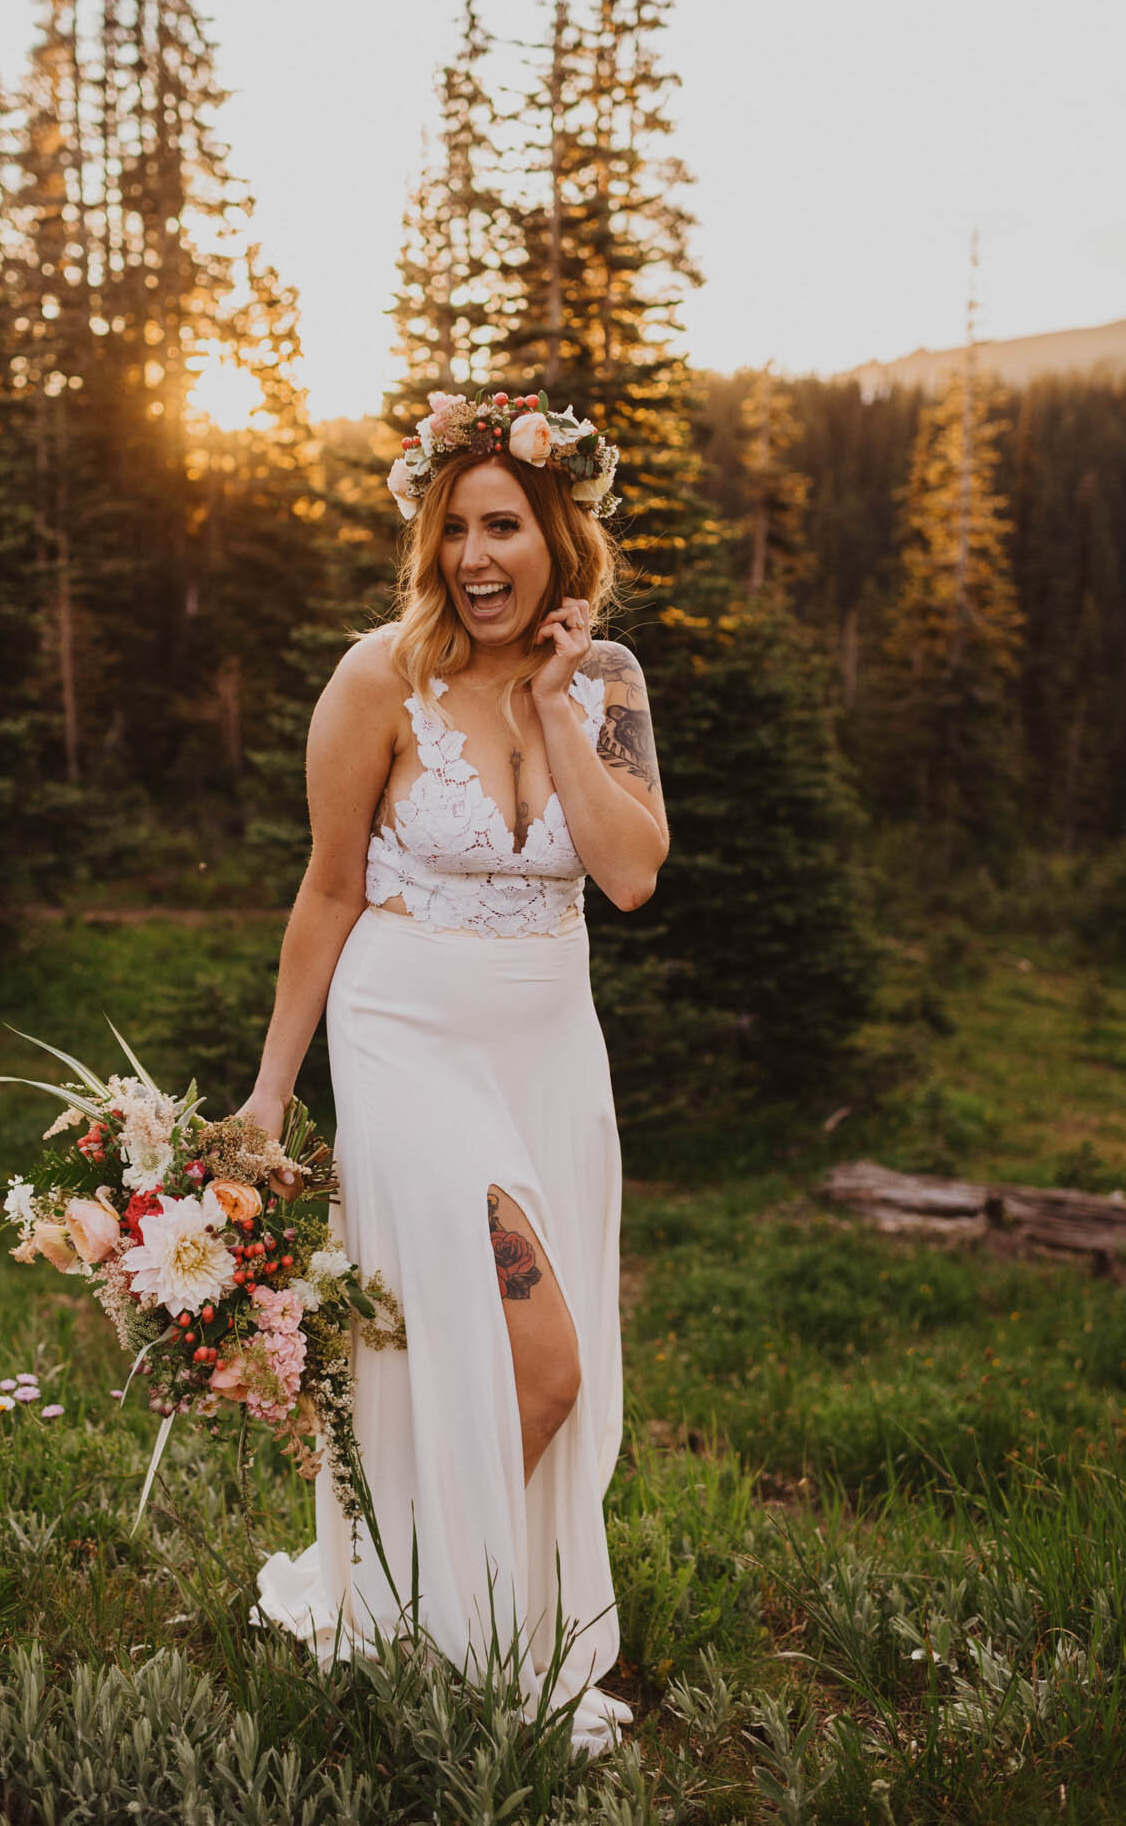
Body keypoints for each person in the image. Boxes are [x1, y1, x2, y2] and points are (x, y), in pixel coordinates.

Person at [227, 391, 668, 1758]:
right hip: (405, 1035)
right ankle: (440, 1630)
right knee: (524, 1358)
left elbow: (633, 875)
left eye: (505, 528)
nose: (477, 558)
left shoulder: (606, 686)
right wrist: (267, 1092)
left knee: (542, 1375)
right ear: (430, 540)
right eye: (455, 529)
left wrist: (550, 700)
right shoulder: (378, 678)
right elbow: (327, 885)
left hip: (549, 1047)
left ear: (558, 538)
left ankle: (428, 1605)